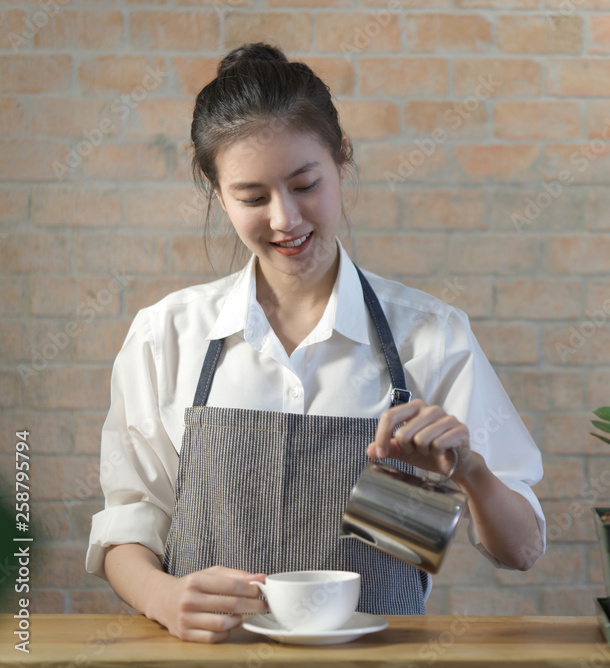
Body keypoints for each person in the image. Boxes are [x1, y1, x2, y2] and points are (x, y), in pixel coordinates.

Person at [86, 42, 546, 643]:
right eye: (252, 197)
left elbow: (522, 551)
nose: (285, 219)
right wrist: (162, 595)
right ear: (216, 192)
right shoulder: (166, 336)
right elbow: (129, 524)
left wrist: (472, 474)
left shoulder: (430, 336)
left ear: (341, 159)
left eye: (305, 184)